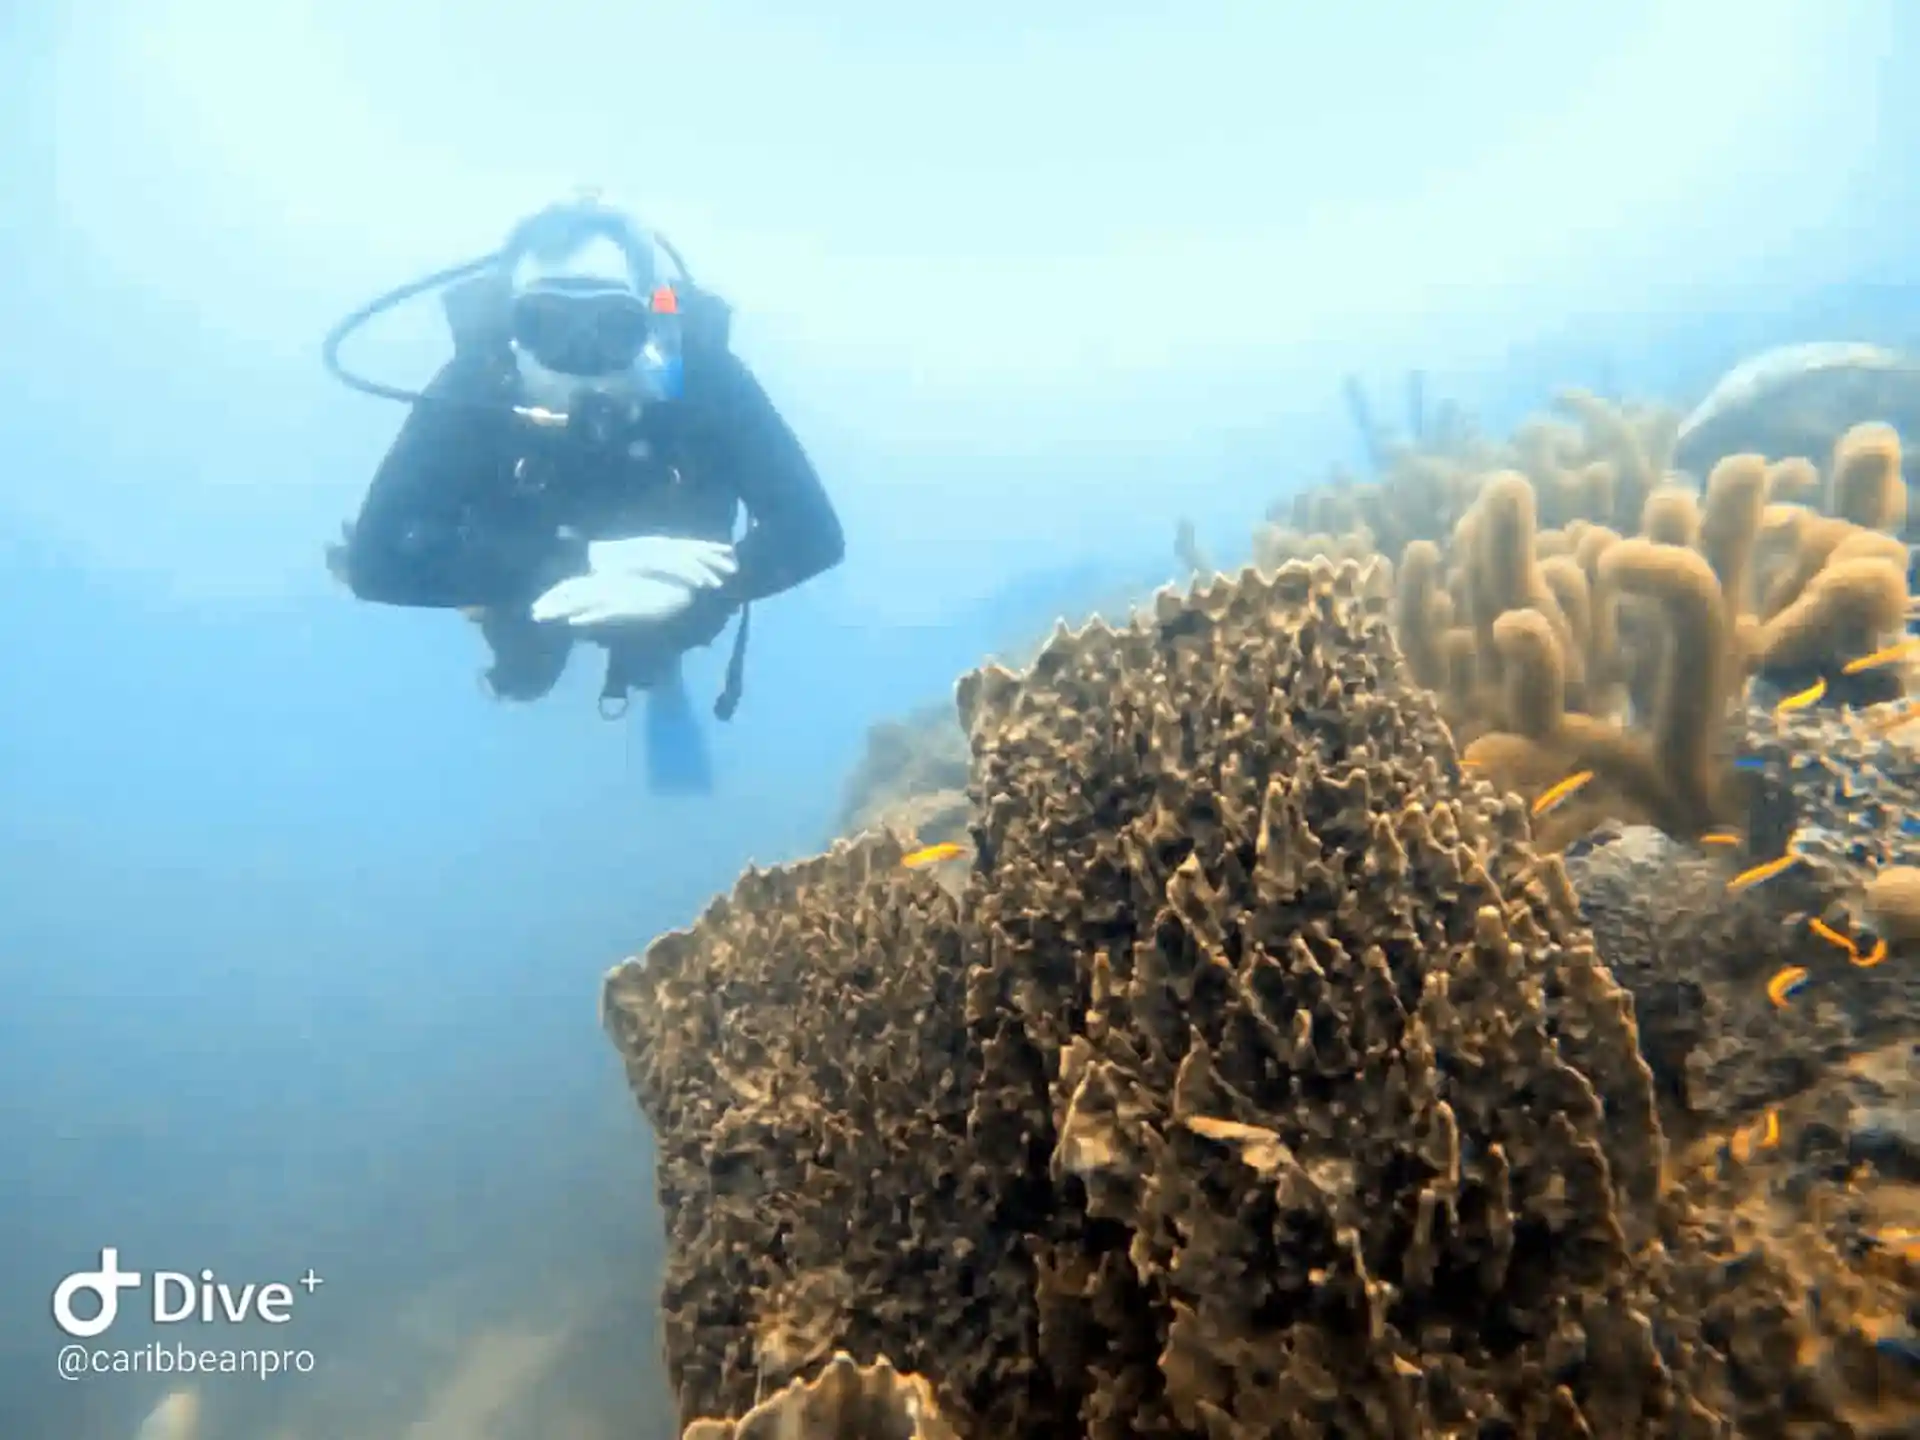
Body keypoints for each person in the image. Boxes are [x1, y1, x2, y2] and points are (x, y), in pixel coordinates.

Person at [331, 193, 844, 794]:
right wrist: (579, 563)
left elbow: (815, 534)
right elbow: (375, 562)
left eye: (611, 327)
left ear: (652, 326)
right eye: (545, 325)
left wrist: (715, 585)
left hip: (677, 591)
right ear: (509, 330)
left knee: (653, 650)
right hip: (526, 588)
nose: (580, 360)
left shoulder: (702, 377)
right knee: (526, 668)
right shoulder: (480, 382)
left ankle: (658, 672)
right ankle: (531, 663)